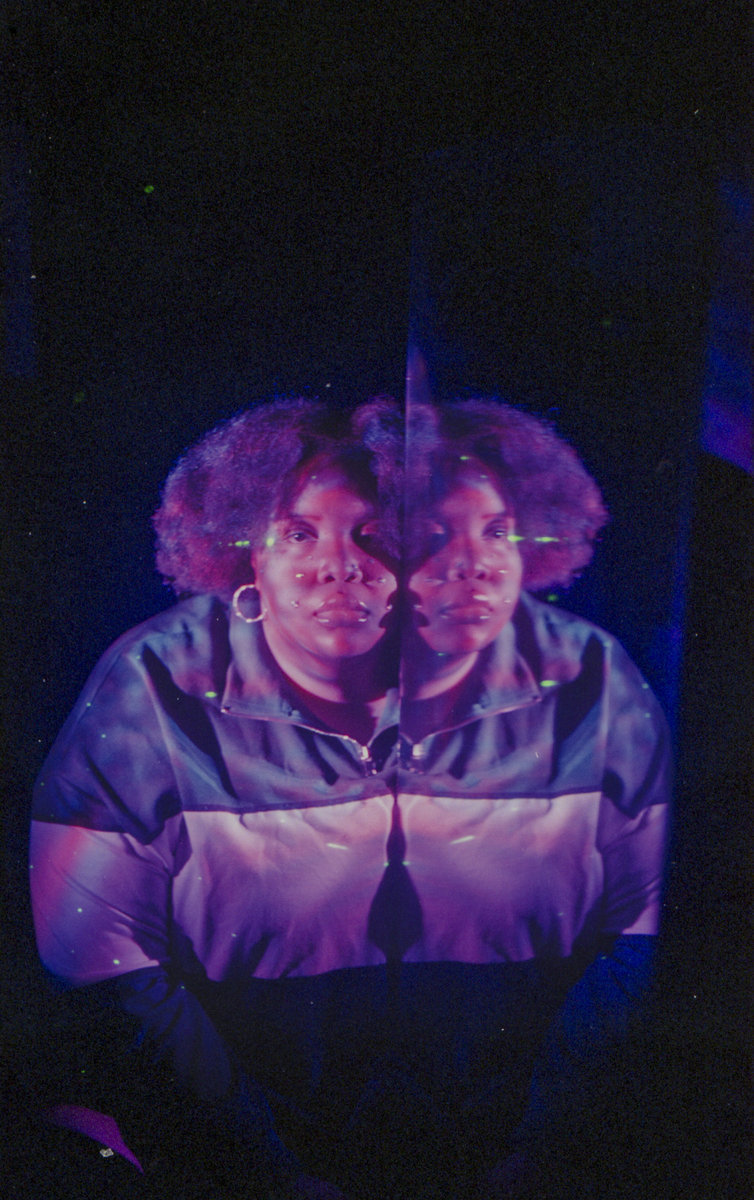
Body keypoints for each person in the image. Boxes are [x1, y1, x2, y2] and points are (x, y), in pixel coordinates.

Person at [29, 396, 404, 1200]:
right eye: (298, 532)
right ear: (243, 549)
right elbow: (104, 967)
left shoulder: (480, 681)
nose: (340, 564)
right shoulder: (153, 684)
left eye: (373, 533)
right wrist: (265, 1169)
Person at [398, 399, 671, 1197]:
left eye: (498, 531)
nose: (476, 562)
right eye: (437, 534)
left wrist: (542, 1142)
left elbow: (643, 930)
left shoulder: (594, 677)